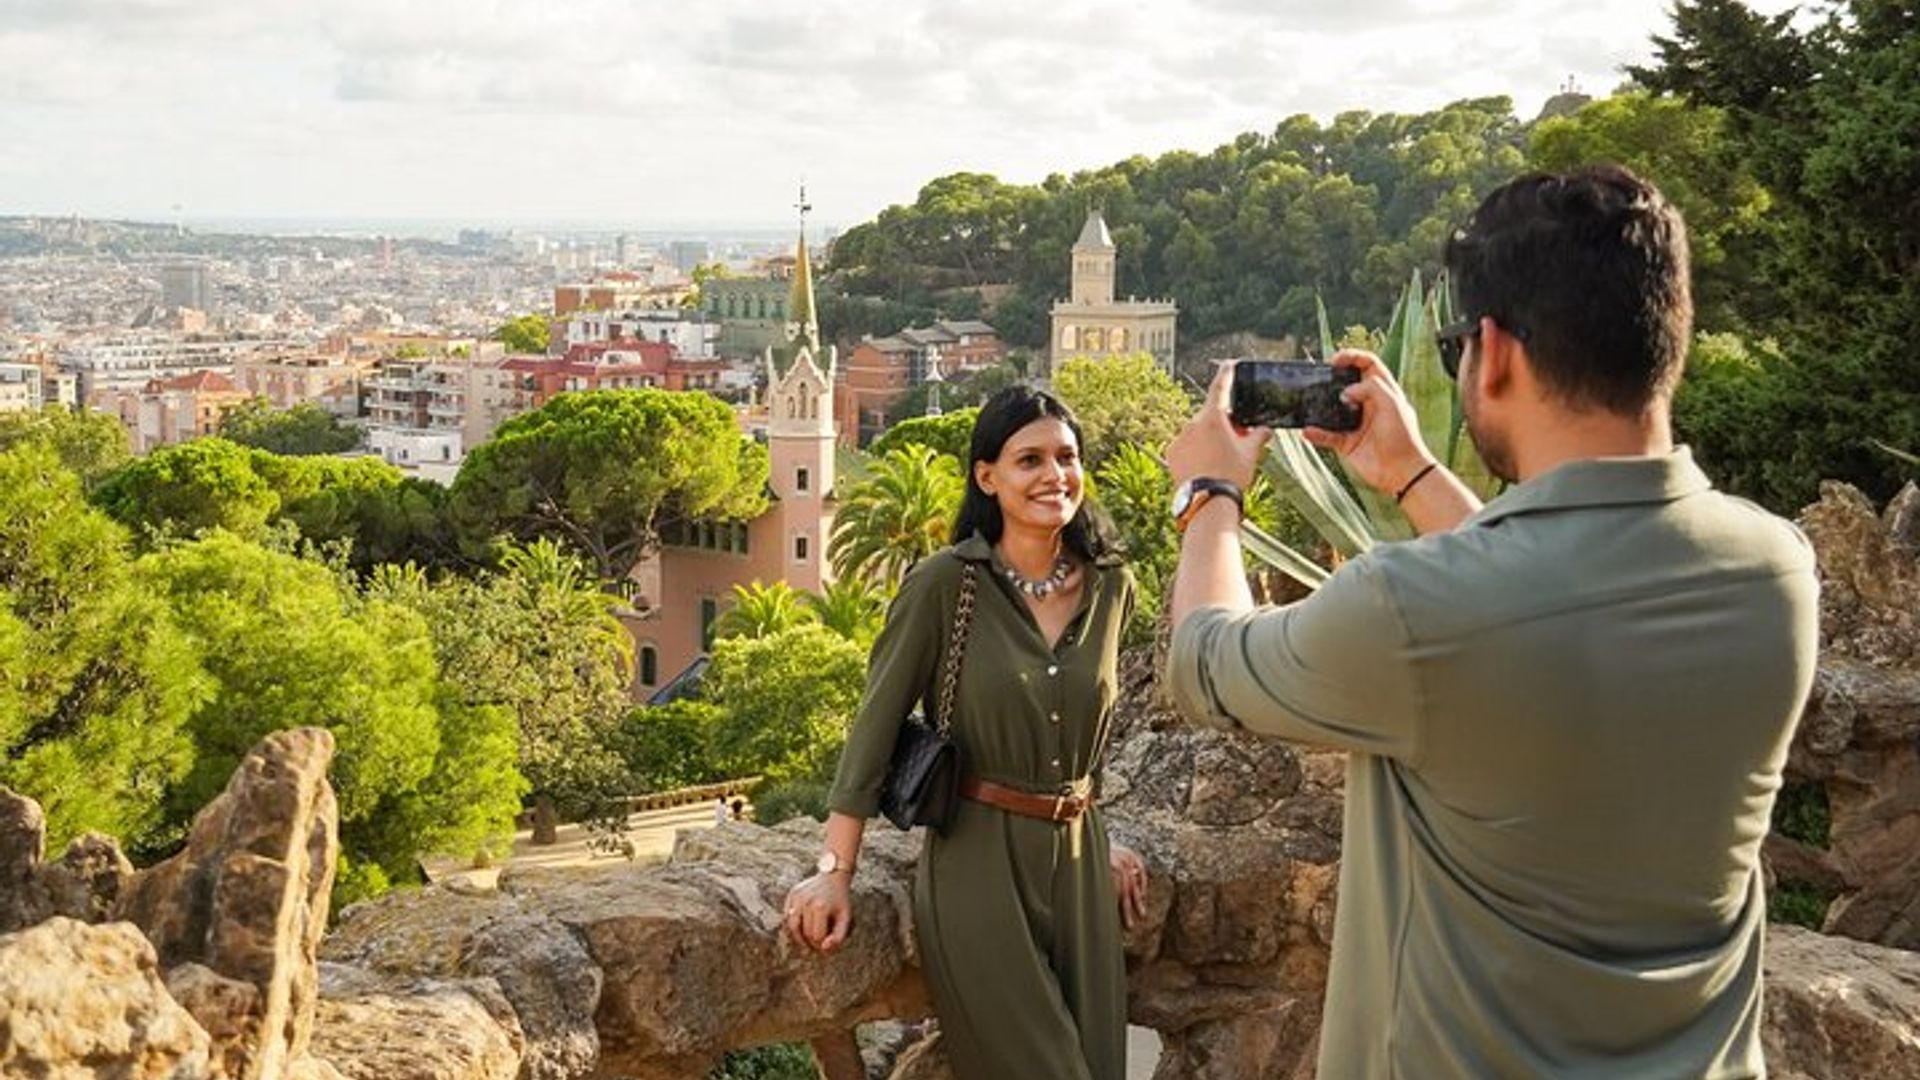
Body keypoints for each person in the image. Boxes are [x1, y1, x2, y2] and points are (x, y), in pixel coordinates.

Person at [1163, 165, 1818, 1077]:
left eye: (1453, 347)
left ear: (1495, 350)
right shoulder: (1777, 569)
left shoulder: (1413, 608)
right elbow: (1550, 600)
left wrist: (1210, 492)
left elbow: (1203, 664)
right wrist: (1414, 476)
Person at [784, 385, 1149, 1080]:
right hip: (978, 868)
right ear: (987, 476)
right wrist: (836, 874)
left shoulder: (1112, 585)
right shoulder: (944, 586)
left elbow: (1087, 724)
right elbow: (874, 730)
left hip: (1082, 862)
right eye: (1030, 460)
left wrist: (1099, 821)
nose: (1054, 476)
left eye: (1067, 457)